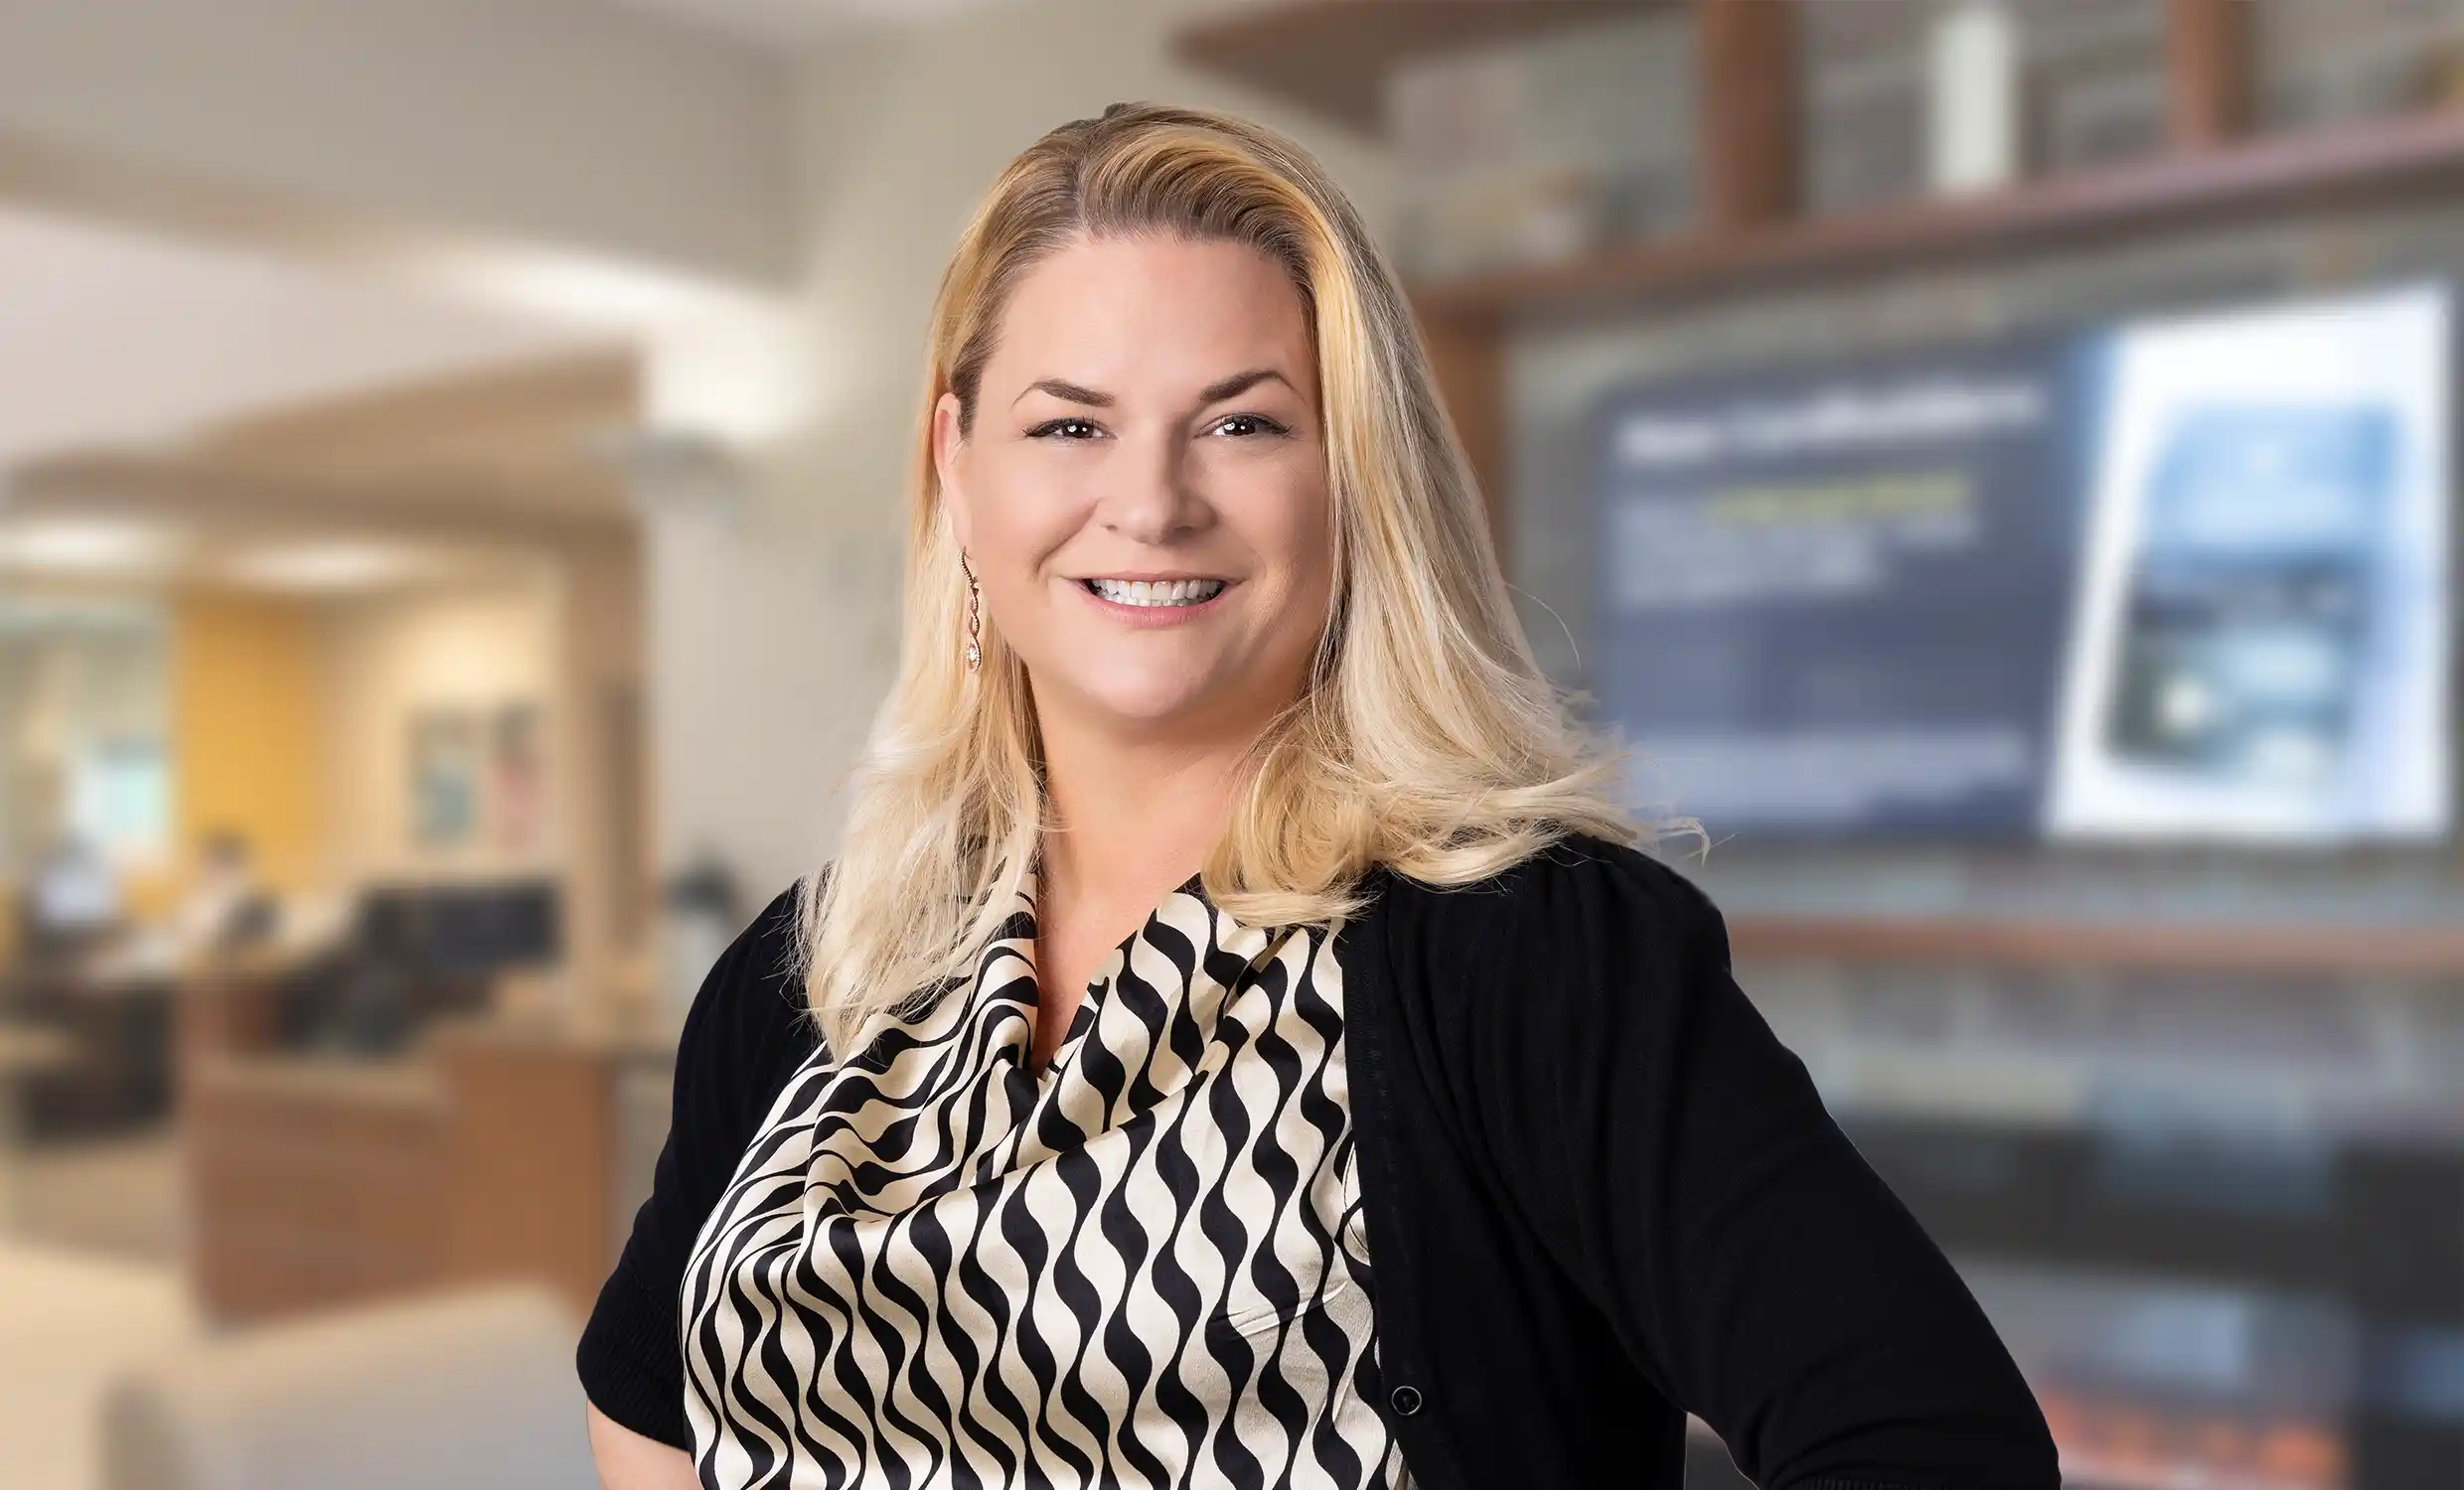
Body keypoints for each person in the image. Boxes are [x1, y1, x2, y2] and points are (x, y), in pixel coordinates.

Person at [577, 102, 2060, 1490]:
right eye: (1069, 425)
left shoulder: (1530, 960)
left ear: (1354, 477)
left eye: (1242, 423)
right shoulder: (811, 971)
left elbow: (1937, 1446)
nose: (1150, 503)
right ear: (958, 469)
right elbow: (646, 1402)